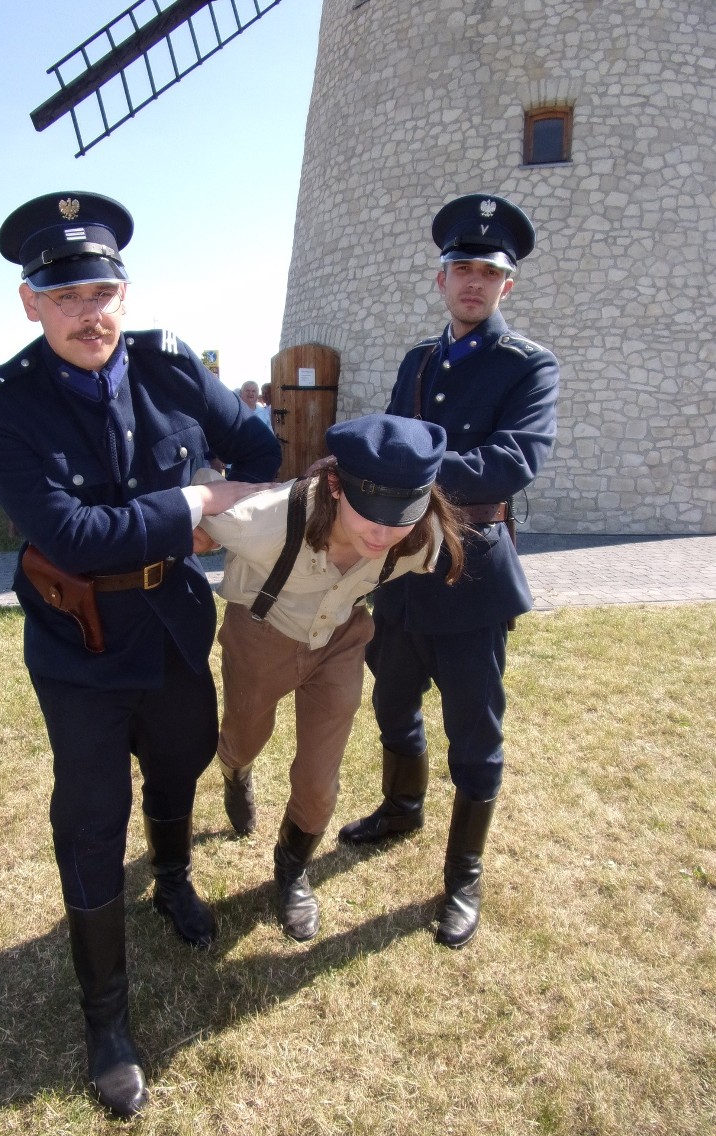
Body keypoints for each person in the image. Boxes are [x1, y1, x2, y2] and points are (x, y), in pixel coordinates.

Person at [0, 191, 280, 1119]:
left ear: (125, 294)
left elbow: (256, 445)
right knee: (93, 816)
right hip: (80, 643)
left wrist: (228, 486)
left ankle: (173, 877)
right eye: (65, 297)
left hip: (174, 622)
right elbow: (69, 531)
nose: (88, 312)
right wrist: (195, 505)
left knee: (179, 760)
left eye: (102, 291)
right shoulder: (0, 402)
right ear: (30, 303)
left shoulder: (170, 366)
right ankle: (107, 1020)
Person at [338, 193, 560, 951]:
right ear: (440, 280)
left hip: (473, 571)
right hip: (403, 571)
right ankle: (402, 809)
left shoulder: (529, 366)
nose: (473, 282)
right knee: (392, 699)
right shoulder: (418, 362)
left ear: (508, 285)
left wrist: (401, 474)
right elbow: (394, 438)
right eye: (461, 267)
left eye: (488, 272)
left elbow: (511, 464)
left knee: (475, 729)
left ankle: (463, 875)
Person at [198, 414, 462, 942]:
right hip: (262, 634)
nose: (383, 533)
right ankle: (235, 770)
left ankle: (292, 868)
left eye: (400, 516)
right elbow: (199, 510)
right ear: (337, 486)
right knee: (244, 737)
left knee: (320, 780)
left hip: (340, 641)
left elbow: (443, 553)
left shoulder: (421, 537)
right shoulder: (266, 520)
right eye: (371, 514)